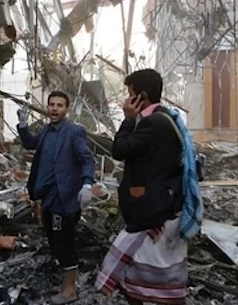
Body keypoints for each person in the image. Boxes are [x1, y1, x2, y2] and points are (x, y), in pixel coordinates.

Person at [95, 69, 203, 305]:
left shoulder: (151, 124)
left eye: (129, 93)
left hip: (152, 208)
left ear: (140, 96)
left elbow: (119, 150)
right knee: (152, 272)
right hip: (163, 203)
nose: (126, 99)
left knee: (139, 271)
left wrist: (127, 119)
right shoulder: (165, 118)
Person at [17, 91, 95, 305]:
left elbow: (87, 159)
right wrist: (23, 125)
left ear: (66, 109)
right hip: (47, 198)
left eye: (59, 105)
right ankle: (66, 281)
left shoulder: (74, 132)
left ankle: (70, 290)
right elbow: (31, 144)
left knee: (63, 242)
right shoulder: (46, 130)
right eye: (51, 104)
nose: (54, 108)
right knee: (53, 239)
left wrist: (87, 183)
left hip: (64, 197)